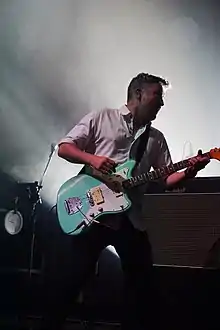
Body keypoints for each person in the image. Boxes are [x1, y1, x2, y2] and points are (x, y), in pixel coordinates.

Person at [40, 73, 210, 330]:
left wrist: (190, 170)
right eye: (157, 96)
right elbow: (65, 147)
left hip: (130, 219)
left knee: (144, 289)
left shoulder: (156, 139)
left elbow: (165, 180)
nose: (161, 103)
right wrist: (93, 159)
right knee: (70, 282)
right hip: (94, 214)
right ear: (138, 94)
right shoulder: (103, 118)